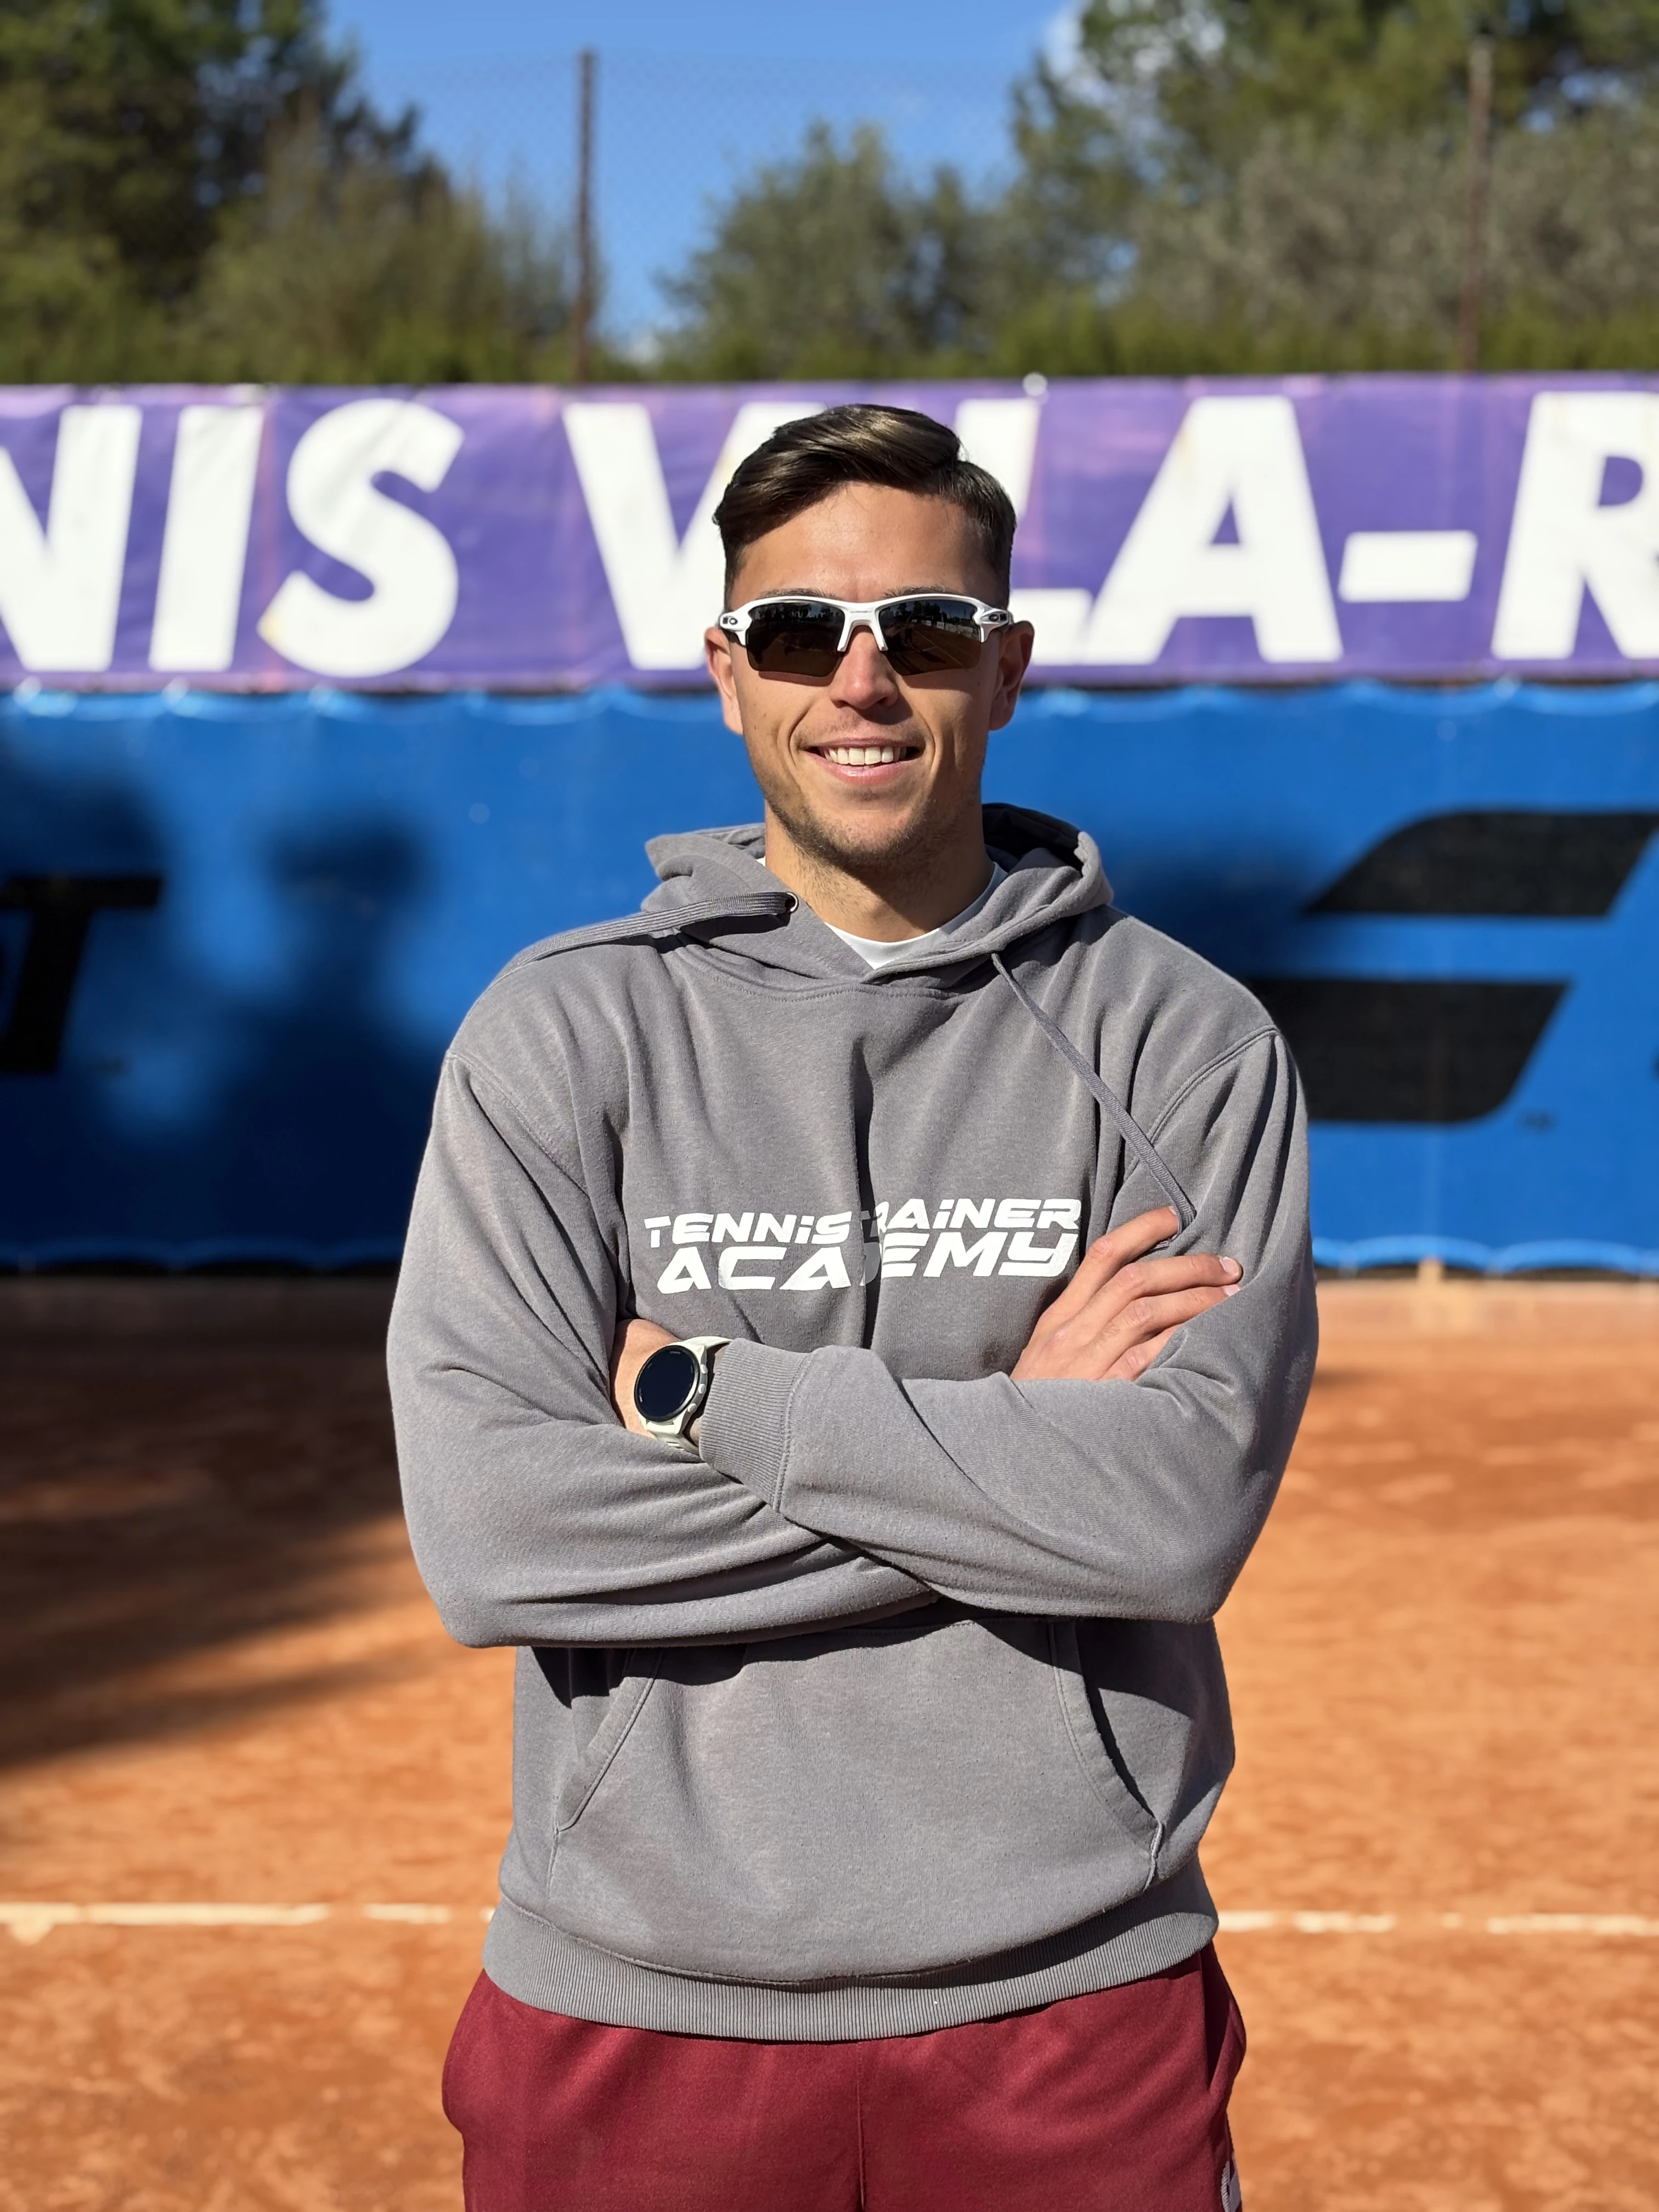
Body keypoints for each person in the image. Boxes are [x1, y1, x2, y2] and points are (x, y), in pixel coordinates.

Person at [388, 403, 1316, 2212]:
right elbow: (495, 1535)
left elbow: (1169, 1517)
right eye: (804, 631)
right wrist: (1022, 1448)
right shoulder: (564, 1034)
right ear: (728, 674)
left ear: (1011, 667)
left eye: (929, 632)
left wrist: (709, 1394)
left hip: (1071, 2000)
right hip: (639, 2001)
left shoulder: (1182, 1041)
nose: (865, 682)